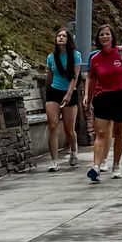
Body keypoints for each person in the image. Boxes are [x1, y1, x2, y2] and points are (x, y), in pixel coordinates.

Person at [84, 25, 122, 182]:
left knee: (119, 132)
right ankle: (96, 166)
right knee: (101, 133)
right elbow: (93, 80)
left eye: (107, 34)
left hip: (121, 96)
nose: (104, 37)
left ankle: (116, 165)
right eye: (101, 34)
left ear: (112, 36)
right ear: (98, 38)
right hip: (103, 97)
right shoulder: (95, 59)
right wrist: (88, 99)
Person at [43, 27, 81, 171]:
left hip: (69, 91)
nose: (60, 38)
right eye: (59, 36)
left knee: (68, 129)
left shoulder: (75, 55)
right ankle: (54, 160)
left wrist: (69, 94)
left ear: (68, 39)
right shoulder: (51, 57)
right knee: (52, 125)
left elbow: (75, 77)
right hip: (54, 91)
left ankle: (73, 151)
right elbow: (49, 76)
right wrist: (47, 93)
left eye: (64, 36)